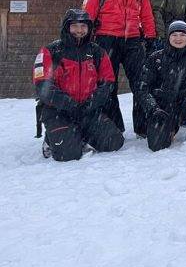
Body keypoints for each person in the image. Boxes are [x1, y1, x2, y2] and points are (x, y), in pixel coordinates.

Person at [33, 9, 124, 161]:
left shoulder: (97, 52)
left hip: (87, 109)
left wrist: (92, 102)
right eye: (75, 26)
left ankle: (79, 134)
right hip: (58, 111)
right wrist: (67, 103)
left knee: (114, 142)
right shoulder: (50, 51)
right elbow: (42, 85)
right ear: (66, 27)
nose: (79, 30)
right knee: (68, 154)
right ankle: (51, 139)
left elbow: (107, 82)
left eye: (83, 26)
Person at [84, 0, 156, 136]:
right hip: (106, 40)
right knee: (108, 84)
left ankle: (143, 126)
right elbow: (88, 15)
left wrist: (150, 37)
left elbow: (146, 16)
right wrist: (85, 39)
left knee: (140, 82)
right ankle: (113, 126)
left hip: (132, 40)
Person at [137, 21, 186, 151]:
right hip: (164, 107)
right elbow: (142, 87)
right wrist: (153, 108)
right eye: (174, 34)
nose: (178, 38)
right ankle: (168, 128)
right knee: (157, 145)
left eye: (182, 34)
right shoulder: (156, 58)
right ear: (168, 37)